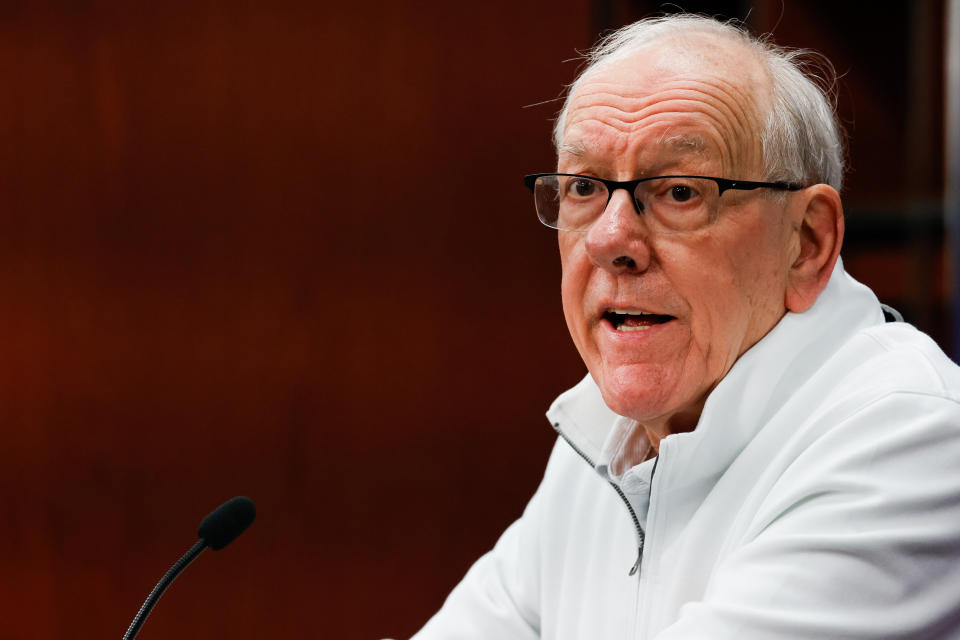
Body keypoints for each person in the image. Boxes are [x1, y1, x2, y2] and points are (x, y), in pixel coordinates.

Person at [409, 14, 960, 639]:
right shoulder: (606, 439)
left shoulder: (911, 437)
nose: (611, 240)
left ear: (807, 242)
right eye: (585, 187)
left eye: (678, 192)